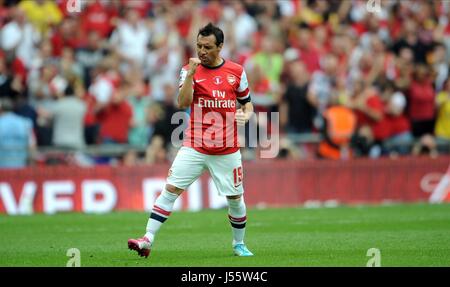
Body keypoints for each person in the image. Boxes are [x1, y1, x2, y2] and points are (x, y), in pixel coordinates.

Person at [128, 23, 254, 258]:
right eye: (198, 46)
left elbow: (247, 102)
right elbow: (183, 103)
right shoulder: (188, 70)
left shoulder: (236, 71)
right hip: (195, 145)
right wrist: (192, 76)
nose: (201, 51)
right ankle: (147, 238)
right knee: (171, 189)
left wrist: (245, 114)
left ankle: (239, 244)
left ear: (220, 46)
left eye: (207, 47)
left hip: (227, 149)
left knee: (235, 198)